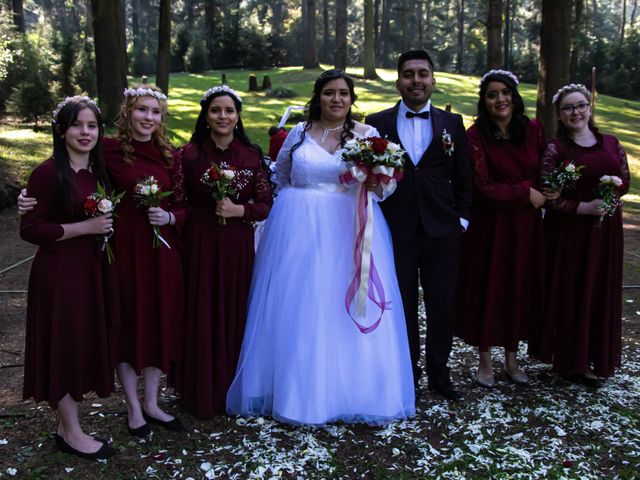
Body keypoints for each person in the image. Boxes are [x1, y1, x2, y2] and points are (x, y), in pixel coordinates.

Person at [226, 69, 415, 425]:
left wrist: (377, 184)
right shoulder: (298, 133)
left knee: (340, 306)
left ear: (351, 98)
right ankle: (298, 394)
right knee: (302, 305)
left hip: (348, 228)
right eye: (329, 93)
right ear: (318, 96)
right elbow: (280, 175)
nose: (337, 99)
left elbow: (387, 186)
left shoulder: (367, 135)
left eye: (343, 93)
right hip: (298, 230)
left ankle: (353, 392)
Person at [19, 85, 187, 436]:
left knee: (157, 321)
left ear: (162, 118)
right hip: (120, 253)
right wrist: (27, 198)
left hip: (158, 253)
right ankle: (131, 408)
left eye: (155, 112)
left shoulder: (171, 154)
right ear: (127, 112)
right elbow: (58, 187)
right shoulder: (107, 152)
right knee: (125, 325)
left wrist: (170, 218)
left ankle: (152, 402)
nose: (148, 118)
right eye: (142, 110)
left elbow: (187, 204)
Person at [365, 50, 473, 400]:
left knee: (442, 305)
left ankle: (440, 375)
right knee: (402, 306)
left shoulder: (452, 125)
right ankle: (406, 375)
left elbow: (464, 178)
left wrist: (462, 221)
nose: (416, 80)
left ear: (433, 80)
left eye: (422, 74)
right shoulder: (376, 123)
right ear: (398, 82)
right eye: (409, 74)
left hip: (443, 232)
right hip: (396, 231)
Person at [20, 96, 116, 459]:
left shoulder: (98, 171)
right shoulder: (48, 173)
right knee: (62, 346)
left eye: (92, 125)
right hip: (59, 274)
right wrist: (84, 227)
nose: (85, 132)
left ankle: (67, 425)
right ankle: (72, 433)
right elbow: (31, 229)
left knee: (80, 345)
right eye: (77, 125)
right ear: (61, 131)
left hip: (90, 272)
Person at [176, 85, 273, 418]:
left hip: (236, 246)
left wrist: (239, 211)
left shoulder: (250, 155)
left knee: (235, 309)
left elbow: (264, 205)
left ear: (238, 116)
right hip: (200, 242)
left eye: (229, 111)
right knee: (201, 309)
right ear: (205, 115)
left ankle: (234, 388)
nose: (222, 116)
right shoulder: (188, 155)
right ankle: (202, 390)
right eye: (216, 110)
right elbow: (178, 201)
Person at [453, 70, 549, 388]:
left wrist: (545, 190)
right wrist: (524, 193)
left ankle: (512, 359)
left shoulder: (534, 131)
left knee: (519, 288)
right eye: (492, 94)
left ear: (515, 96)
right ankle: (484, 362)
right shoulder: (475, 136)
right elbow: (481, 186)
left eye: (505, 92)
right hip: (490, 227)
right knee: (488, 287)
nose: (500, 99)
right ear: (484, 100)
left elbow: (544, 173)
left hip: (526, 227)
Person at [539, 83, 630, 387]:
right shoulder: (556, 149)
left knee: (599, 290)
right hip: (569, 234)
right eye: (568, 108)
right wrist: (583, 208)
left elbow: (624, 182)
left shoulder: (612, 143)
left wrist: (609, 201)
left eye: (580, 105)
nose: (575, 112)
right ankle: (569, 362)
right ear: (560, 115)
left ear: (590, 108)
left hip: (605, 234)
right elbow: (549, 194)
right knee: (572, 291)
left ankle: (594, 357)